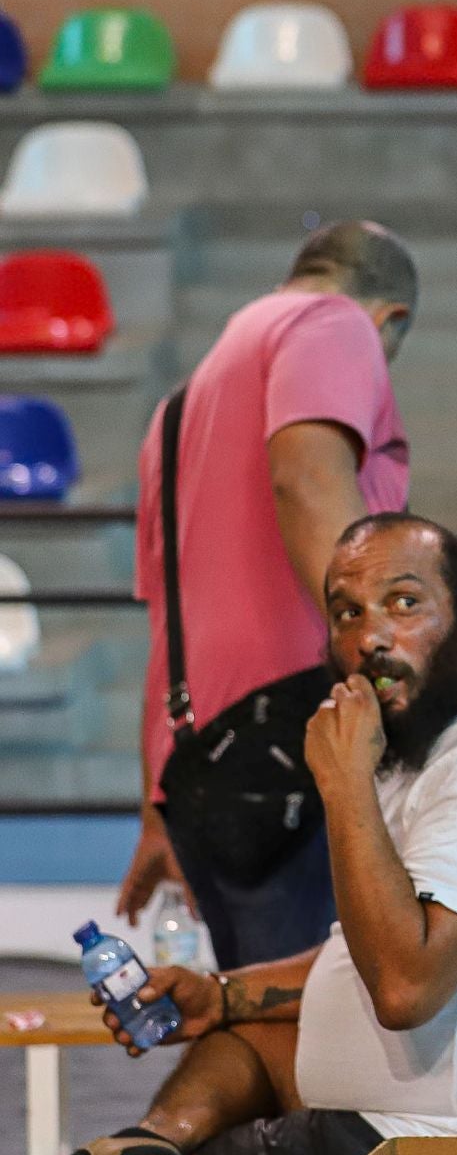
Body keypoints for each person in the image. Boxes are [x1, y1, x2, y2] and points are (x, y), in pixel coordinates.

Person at [7, 514, 457, 1155]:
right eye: (347, 613)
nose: (370, 638)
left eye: (404, 604)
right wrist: (225, 995)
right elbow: (362, 952)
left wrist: (344, 782)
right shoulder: (449, 728)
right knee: (240, 1037)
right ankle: (144, 1153)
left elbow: (405, 988)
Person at [120, 221, 417, 970]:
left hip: (200, 766)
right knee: (319, 1041)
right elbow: (310, 481)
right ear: (391, 320)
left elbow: (167, 623)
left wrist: (158, 811)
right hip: (301, 738)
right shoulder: (333, 323)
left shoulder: (178, 411)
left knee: (263, 1027)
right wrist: (393, 656)